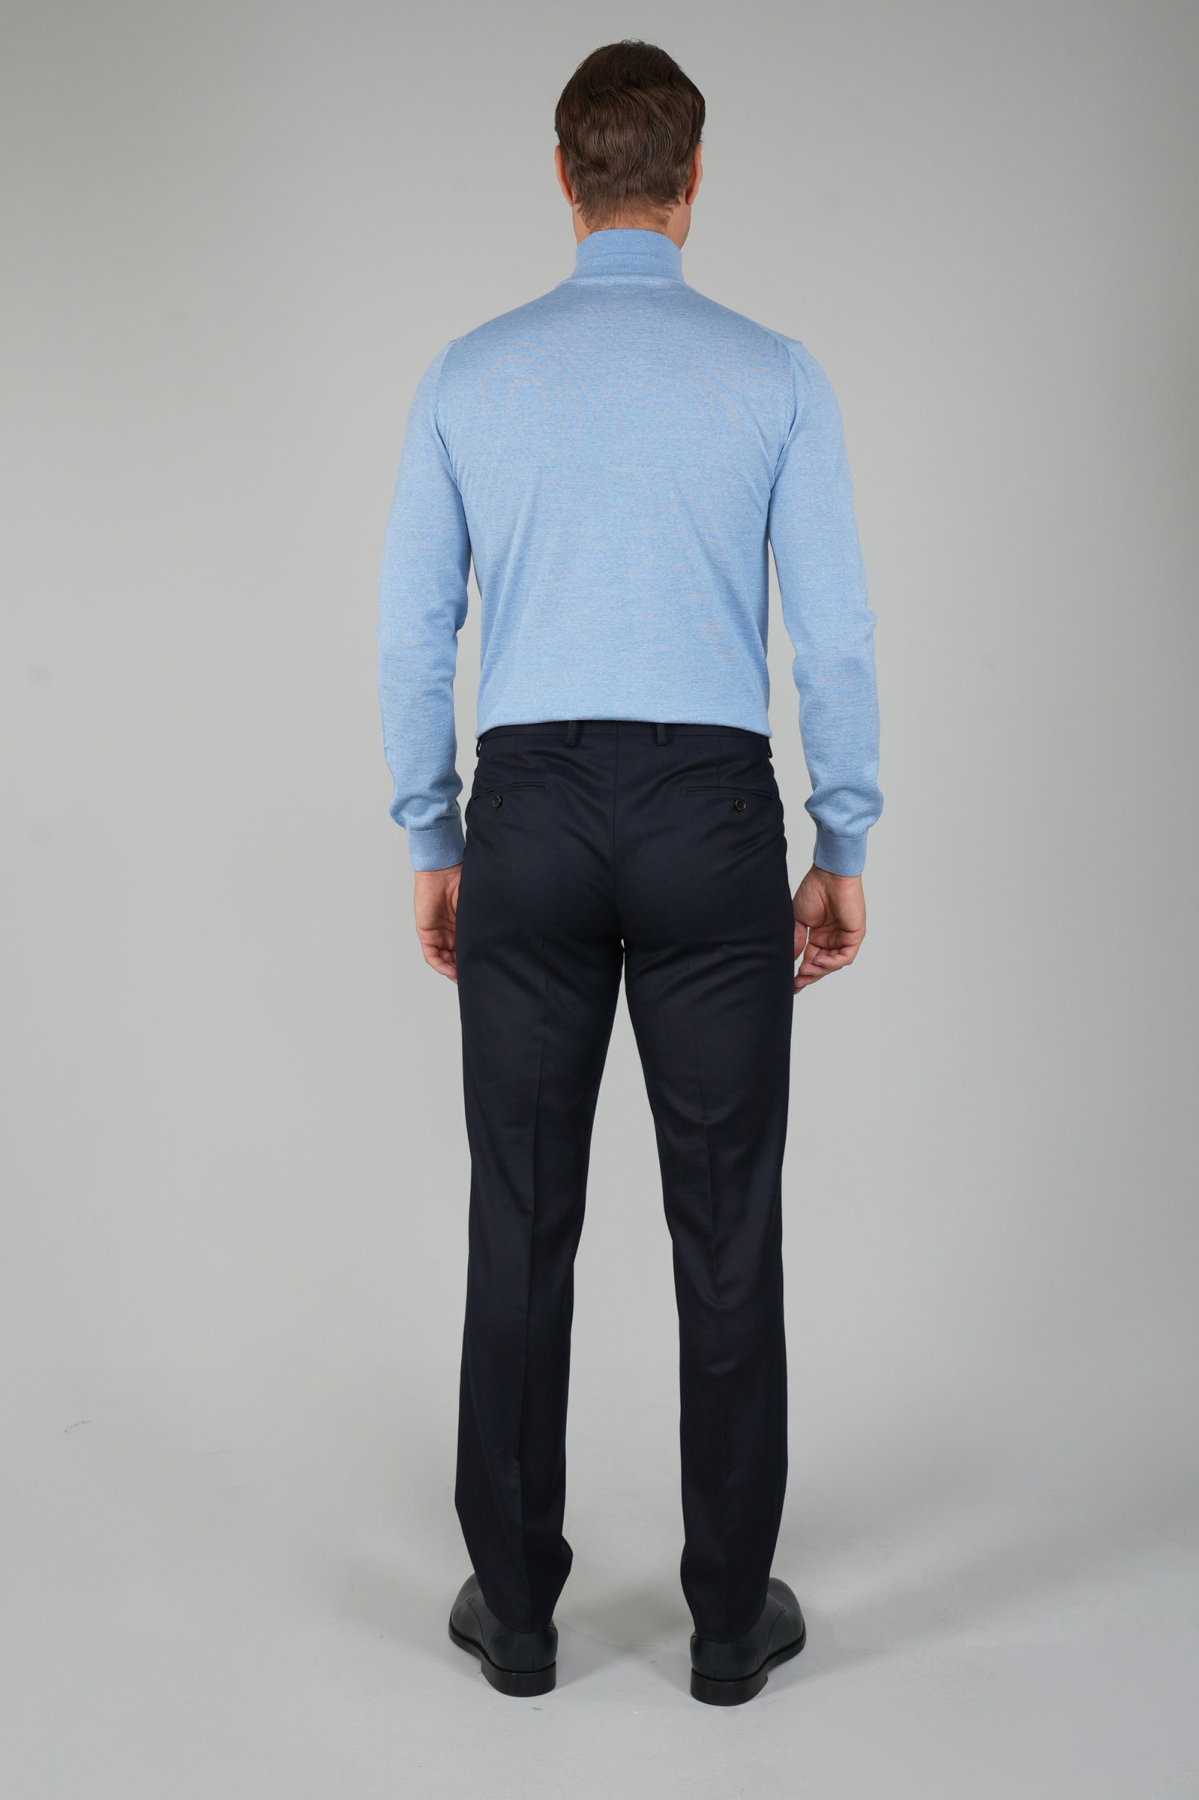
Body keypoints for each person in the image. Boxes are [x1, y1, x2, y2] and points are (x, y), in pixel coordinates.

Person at [377, 39, 882, 1706]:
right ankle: (728, 1627)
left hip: (526, 813)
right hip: (708, 817)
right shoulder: (776, 375)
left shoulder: (468, 375)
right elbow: (836, 637)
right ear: (693, 177)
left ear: (563, 175)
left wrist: (436, 834)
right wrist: (843, 841)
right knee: (728, 1227)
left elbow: (411, 636)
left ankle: (519, 1615)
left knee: (521, 1217)